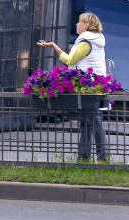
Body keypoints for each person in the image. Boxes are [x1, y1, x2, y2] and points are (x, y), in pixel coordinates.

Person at [37, 12, 109, 163]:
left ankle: (98, 157)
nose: (77, 24)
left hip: (88, 86)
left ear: (87, 26)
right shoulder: (96, 40)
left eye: (80, 22)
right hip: (95, 85)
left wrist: (54, 47)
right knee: (88, 121)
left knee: (93, 121)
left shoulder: (85, 42)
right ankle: (87, 157)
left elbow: (70, 60)